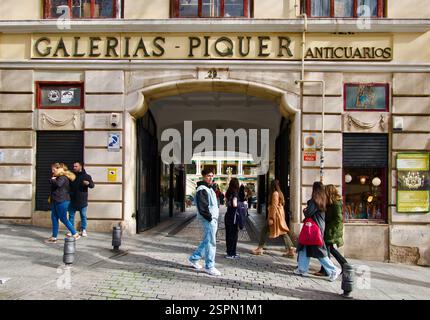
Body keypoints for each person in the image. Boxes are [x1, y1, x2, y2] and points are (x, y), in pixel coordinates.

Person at [294, 182, 341, 281]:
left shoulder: (313, 201)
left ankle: (333, 270)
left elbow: (308, 213)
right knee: (304, 247)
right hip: (318, 228)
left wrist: (305, 210)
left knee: (318, 251)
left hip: (313, 229)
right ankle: (302, 269)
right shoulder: (323, 200)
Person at [188, 169, 221, 276]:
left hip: (211, 219)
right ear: (203, 176)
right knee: (211, 242)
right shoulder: (202, 189)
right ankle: (209, 266)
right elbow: (203, 207)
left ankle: (194, 258)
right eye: (208, 176)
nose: (211, 177)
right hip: (209, 219)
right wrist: (210, 218)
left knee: (207, 240)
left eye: (212, 175)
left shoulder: (208, 188)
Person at [251, 180, 295, 258]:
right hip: (279, 216)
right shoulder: (280, 193)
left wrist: (271, 218)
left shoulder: (275, 193)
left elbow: (274, 206)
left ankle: (260, 248)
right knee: (282, 232)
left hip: (275, 217)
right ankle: (290, 249)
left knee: (265, 230)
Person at [314, 184, 348, 276]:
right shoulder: (332, 202)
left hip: (332, 230)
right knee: (329, 249)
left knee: (327, 249)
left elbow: (338, 219)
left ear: (329, 192)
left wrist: (330, 228)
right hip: (330, 229)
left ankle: (327, 269)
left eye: (325, 191)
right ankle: (342, 266)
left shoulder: (336, 203)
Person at [45, 163, 80, 243]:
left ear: (58, 169)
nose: (52, 171)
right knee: (54, 218)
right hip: (56, 200)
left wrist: (53, 179)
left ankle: (75, 234)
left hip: (62, 201)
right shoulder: (57, 177)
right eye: (52, 169)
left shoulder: (62, 177)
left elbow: (58, 184)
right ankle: (54, 237)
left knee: (63, 218)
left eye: (53, 169)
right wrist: (53, 179)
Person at [67, 161, 95, 237]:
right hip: (72, 199)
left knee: (83, 215)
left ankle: (83, 229)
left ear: (80, 167)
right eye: (73, 166)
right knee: (71, 216)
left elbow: (92, 185)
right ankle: (71, 230)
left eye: (76, 166)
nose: (74, 168)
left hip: (82, 199)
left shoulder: (86, 176)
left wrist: (88, 183)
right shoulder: (71, 176)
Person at [224, 178, 240, 259]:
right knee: (233, 235)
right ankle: (231, 253)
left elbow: (227, 204)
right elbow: (234, 204)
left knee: (229, 234)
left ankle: (230, 252)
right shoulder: (235, 192)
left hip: (228, 215)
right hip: (233, 216)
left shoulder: (228, 192)